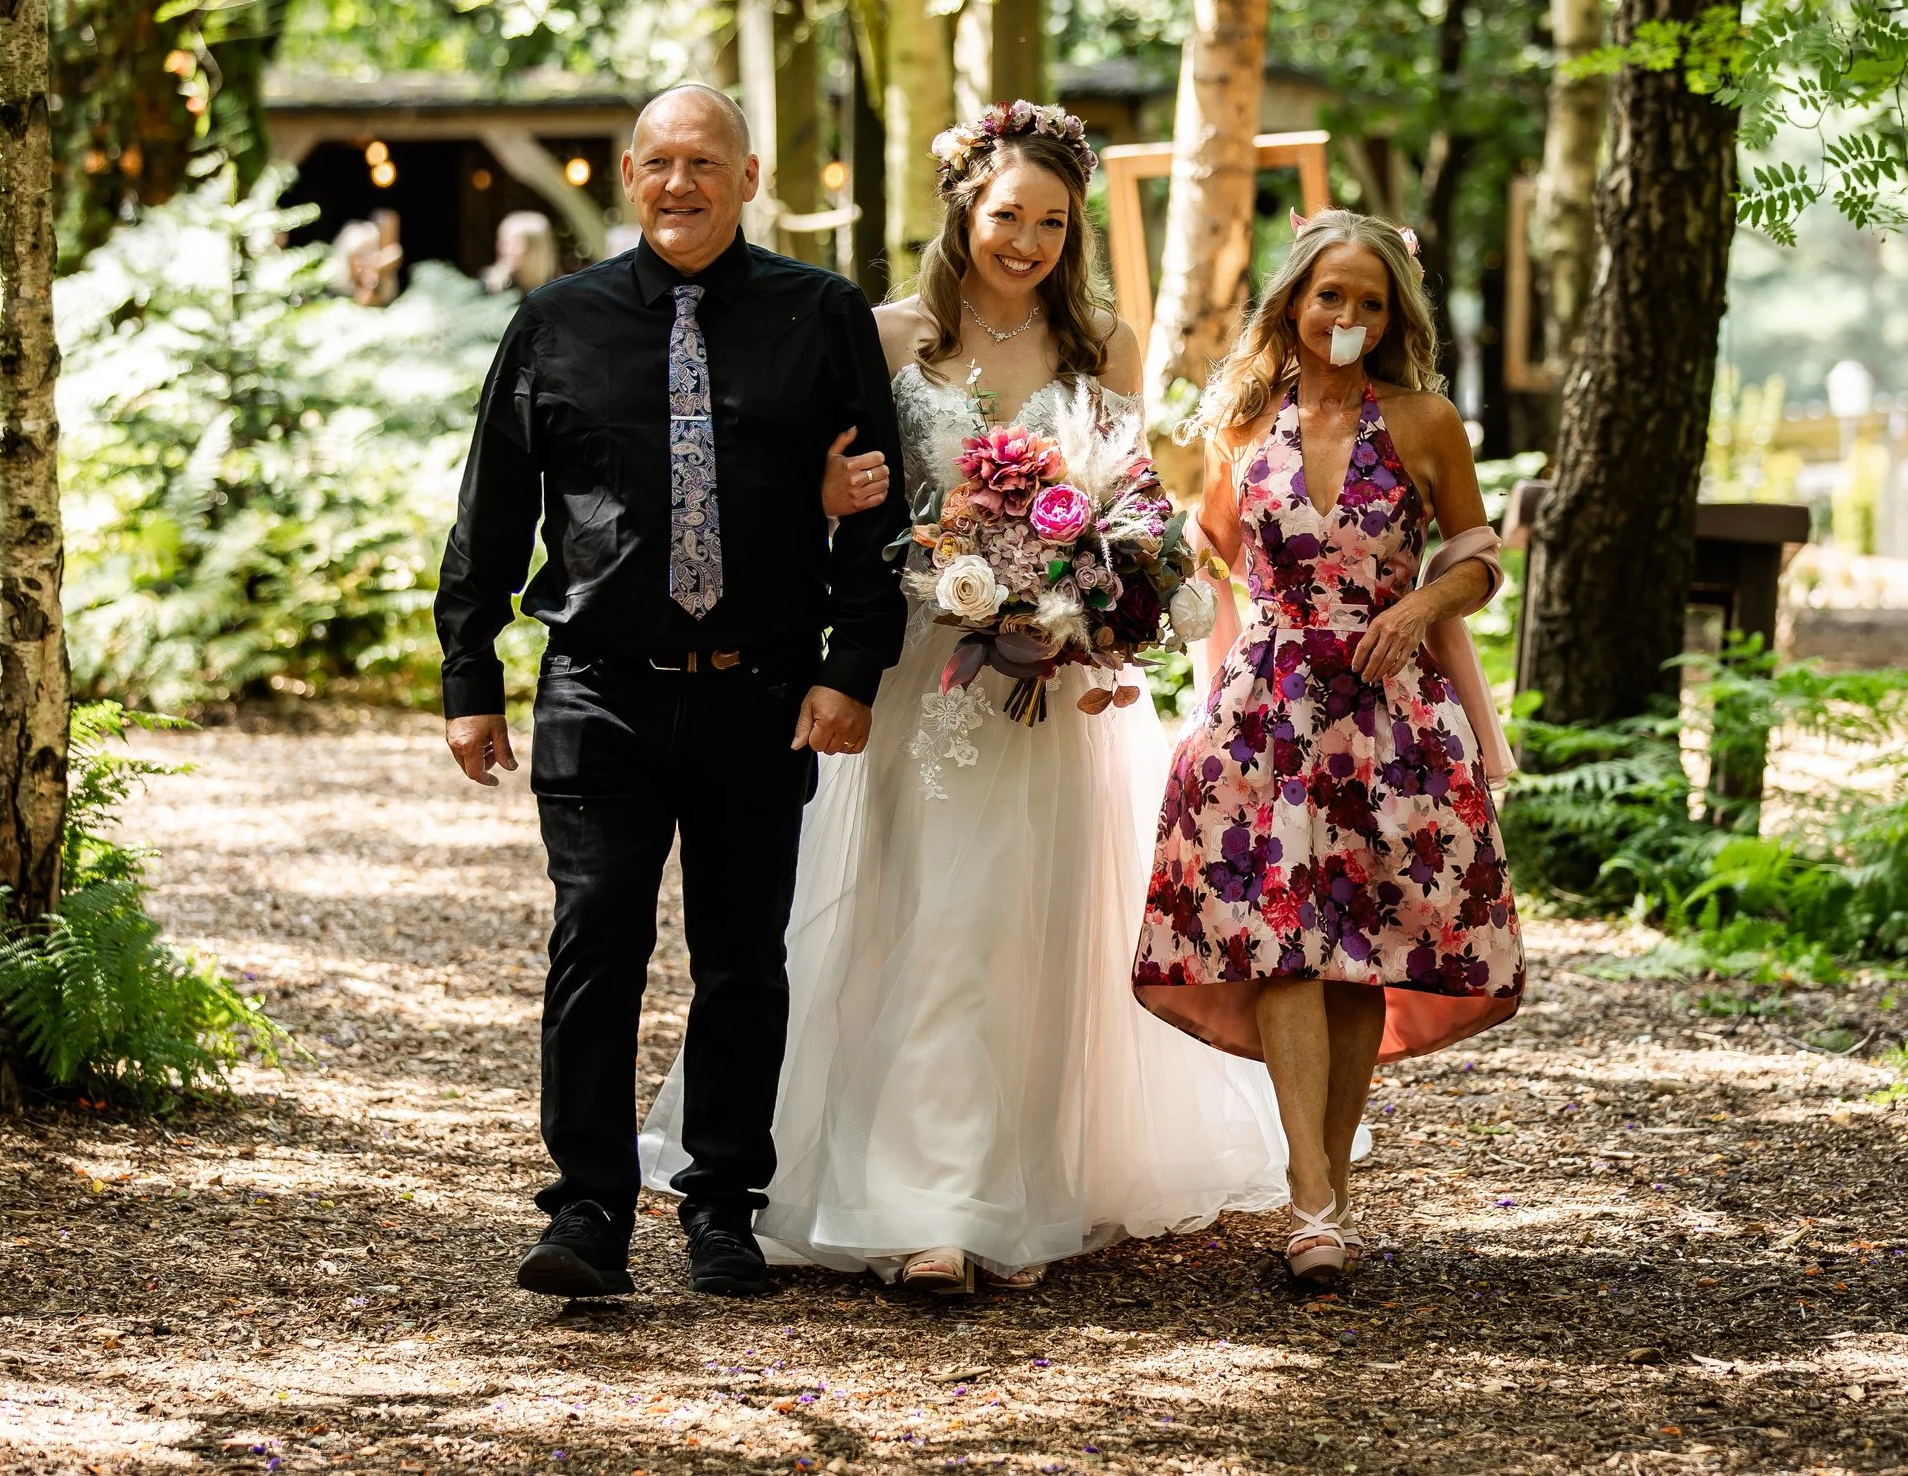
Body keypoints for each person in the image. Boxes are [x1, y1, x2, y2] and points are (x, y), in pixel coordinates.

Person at [640, 102, 1288, 1295]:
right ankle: (914, 1197)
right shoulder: (885, 335)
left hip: (1048, 681)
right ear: (962, 211)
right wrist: (854, 514)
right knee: (918, 912)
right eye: (1006, 215)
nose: (1026, 240)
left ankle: (991, 1184)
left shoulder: (1104, 342)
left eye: (1051, 221)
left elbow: (1133, 503)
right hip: (916, 670)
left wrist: (1100, 610)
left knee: (1014, 926)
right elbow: (827, 491)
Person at [435, 83, 910, 1300]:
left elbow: (877, 504)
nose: (679, 184)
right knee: (596, 939)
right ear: (628, 175)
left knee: (743, 957)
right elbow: (491, 506)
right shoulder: (557, 322)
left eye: (705, 162)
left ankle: (720, 1207)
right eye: (658, 163)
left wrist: (849, 666)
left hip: (758, 689)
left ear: (749, 178)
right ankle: (589, 1208)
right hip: (600, 688)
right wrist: (469, 673)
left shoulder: (820, 314)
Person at [1133, 209, 1524, 1284]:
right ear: (1294, 304)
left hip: (1384, 719)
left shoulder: (1424, 420)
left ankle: (1327, 1190)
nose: (1345, 315)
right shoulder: (1244, 421)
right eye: (1328, 295)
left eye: (1368, 300)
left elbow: (1479, 558)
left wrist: (1416, 607)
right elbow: (1211, 564)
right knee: (1279, 942)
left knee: (1360, 951)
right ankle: (1311, 1191)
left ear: (1391, 315)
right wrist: (1192, 690)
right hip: (1263, 712)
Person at [483, 210, 560, 294]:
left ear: (535, 250)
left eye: (510, 243)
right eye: (500, 241)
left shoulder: (555, 291)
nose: (501, 249)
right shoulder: (489, 283)